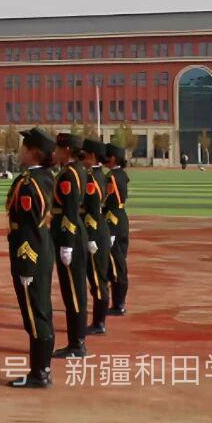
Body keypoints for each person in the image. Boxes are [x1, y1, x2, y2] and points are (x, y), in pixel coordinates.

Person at [7, 127, 56, 388]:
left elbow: (27, 227)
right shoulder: (45, 177)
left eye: (23, 147)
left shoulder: (29, 184)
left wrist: (26, 263)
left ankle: (40, 374)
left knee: (35, 314)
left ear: (34, 152)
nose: (20, 152)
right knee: (41, 310)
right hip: (42, 249)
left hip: (31, 253)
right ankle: (42, 370)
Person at [51, 133, 89, 358]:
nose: (55, 153)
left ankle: (77, 343)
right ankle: (76, 340)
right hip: (73, 234)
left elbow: (70, 210)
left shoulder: (69, 174)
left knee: (73, 291)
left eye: (58, 149)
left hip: (70, 236)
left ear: (66, 150)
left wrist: (66, 243)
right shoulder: (75, 170)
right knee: (73, 290)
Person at [80, 139, 111, 336]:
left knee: (97, 280)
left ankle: (99, 323)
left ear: (92, 156)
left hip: (94, 231)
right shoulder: (99, 175)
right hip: (99, 229)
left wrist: (90, 236)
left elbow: (92, 208)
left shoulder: (91, 178)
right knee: (97, 278)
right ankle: (98, 321)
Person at [103, 143, 131, 316]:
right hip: (121, 218)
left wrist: (110, 231)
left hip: (113, 220)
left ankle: (118, 304)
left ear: (113, 158)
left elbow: (108, 201)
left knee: (116, 265)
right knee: (119, 262)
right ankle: (118, 303)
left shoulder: (111, 177)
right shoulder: (121, 174)